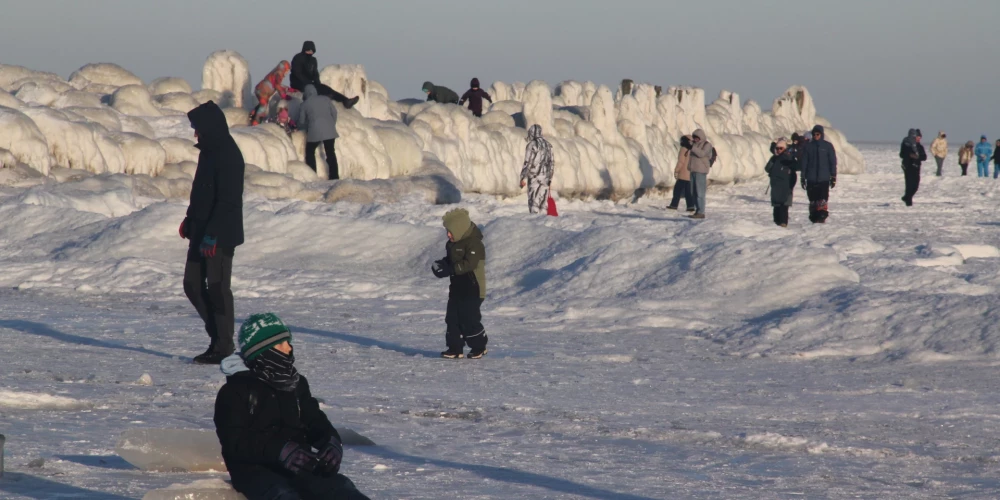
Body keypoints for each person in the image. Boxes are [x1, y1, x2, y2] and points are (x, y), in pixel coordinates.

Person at [215, 313, 371, 500]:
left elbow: (314, 419)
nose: (289, 348)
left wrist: (330, 440)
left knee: (341, 489)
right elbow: (235, 442)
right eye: (281, 344)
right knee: (284, 495)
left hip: (300, 463)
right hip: (253, 472)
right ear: (262, 350)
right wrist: (280, 451)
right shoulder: (234, 391)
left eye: (288, 342)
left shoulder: (296, 383)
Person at [179, 101, 245, 364]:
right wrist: (189, 219)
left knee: (218, 288)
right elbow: (202, 193)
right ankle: (217, 336)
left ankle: (223, 346)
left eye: (197, 128)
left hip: (219, 235)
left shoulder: (229, 154)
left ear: (209, 127)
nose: (195, 133)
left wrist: (212, 234)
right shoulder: (207, 151)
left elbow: (228, 201)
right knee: (192, 285)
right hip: (200, 230)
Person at [431, 209, 488, 359]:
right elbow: (451, 261)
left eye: (451, 231)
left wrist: (450, 269)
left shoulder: (475, 244)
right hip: (457, 288)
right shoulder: (452, 244)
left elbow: (469, 264)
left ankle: (479, 346)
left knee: (469, 319)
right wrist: (441, 265)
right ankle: (455, 348)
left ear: (460, 229)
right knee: (452, 318)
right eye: (447, 232)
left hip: (473, 288)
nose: (448, 235)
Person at [289, 41, 360, 109]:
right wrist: (309, 83)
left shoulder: (313, 60)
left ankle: (345, 101)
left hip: (310, 84)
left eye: (311, 51)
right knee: (318, 89)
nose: (310, 52)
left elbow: (315, 74)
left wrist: (318, 84)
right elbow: (297, 73)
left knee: (326, 89)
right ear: (304, 49)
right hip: (298, 84)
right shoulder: (298, 58)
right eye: (308, 50)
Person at [298, 84, 340, 179]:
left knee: (310, 151)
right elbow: (334, 112)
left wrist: (302, 127)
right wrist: (331, 124)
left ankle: (312, 174)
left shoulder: (305, 104)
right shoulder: (325, 99)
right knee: (330, 152)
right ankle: (334, 176)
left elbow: (301, 121)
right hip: (330, 130)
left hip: (314, 132)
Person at [800, 124, 837, 224]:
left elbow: (832, 162)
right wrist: (803, 177)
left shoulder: (827, 146)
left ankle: (822, 218)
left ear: (821, 134)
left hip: (823, 179)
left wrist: (833, 176)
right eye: (814, 134)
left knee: (822, 200)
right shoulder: (808, 147)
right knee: (813, 200)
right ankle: (814, 219)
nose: (816, 136)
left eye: (817, 134)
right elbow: (804, 163)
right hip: (811, 178)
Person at [519, 124, 555, 214]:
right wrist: (550, 178)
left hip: (534, 177)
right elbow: (552, 163)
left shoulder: (531, 145)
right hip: (545, 178)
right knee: (543, 204)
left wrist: (523, 177)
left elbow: (528, 162)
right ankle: (543, 224)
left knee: (533, 202)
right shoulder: (548, 145)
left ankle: (534, 224)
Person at [765, 138, 797, 227]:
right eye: (777, 148)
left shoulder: (789, 158)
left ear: (785, 148)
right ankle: (777, 224)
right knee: (776, 206)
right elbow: (767, 168)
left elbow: (795, 170)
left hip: (786, 186)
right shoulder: (774, 158)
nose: (778, 150)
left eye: (781, 148)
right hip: (776, 186)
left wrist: (791, 185)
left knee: (784, 206)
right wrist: (773, 160)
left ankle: (783, 223)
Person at [251, 61, 292, 126]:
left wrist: (287, 89)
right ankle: (256, 122)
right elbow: (277, 85)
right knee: (263, 106)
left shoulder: (275, 72)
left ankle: (252, 114)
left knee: (262, 104)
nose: (286, 73)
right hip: (263, 91)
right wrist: (283, 95)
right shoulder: (279, 74)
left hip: (261, 90)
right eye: (287, 70)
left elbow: (276, 84)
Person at [687, 129, 713, 219]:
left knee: (700, 192)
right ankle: (697, 210)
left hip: (701, 171)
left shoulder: (707, 145)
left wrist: (692, 147)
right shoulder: (694, 145)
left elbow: (701, 154)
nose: (695, 139)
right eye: (694, 137)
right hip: (693, 170)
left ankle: (701, 212)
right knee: (693, 192)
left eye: (697, 138)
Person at [900, 128, 928, 206]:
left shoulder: (920, 147)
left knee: (915, 186)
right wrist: (909, 156)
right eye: (917, 137)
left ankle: (906, 198)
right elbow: (901, 154)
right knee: (909, 185)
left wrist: (917, 157)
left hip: (916, 167)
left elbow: (924, 157)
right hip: (908, 167)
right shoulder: (906, 144)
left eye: (920, 137)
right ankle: (908, 203)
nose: (919, 139)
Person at [667, 135, 695, 211]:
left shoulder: (683, 149)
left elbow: (681, 162)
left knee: (677, 191)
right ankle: (690, 206)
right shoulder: (692, 150)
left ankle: (674, 205)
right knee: (688, 192)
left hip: (683, 174)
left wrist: (676, 170)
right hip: (690, 174)